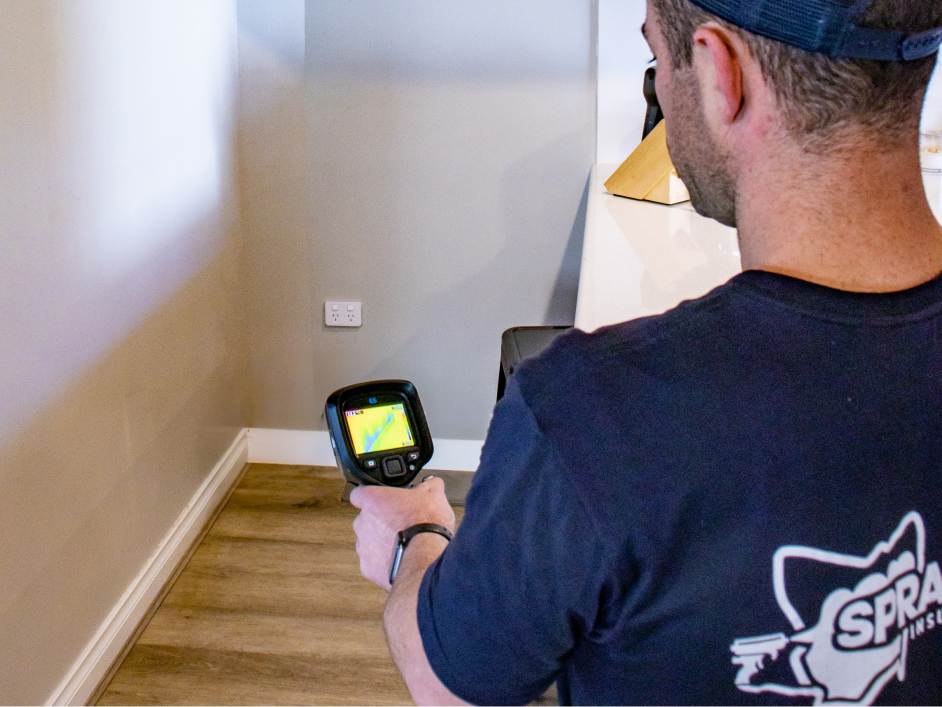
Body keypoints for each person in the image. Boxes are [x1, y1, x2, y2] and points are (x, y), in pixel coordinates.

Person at [351, 0, 942, 703]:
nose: (660, 86)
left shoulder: (592, 411)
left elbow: (443, 677)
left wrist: (415, 537)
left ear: (723, 74)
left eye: (658, 60)